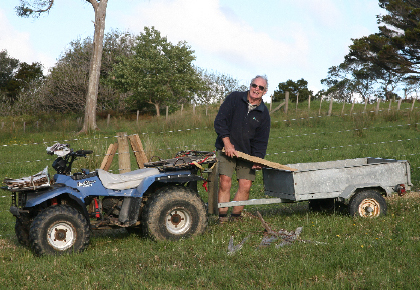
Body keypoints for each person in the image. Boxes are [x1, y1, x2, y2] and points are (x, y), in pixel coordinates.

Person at [214, 75, 271, 223]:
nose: (256, 89)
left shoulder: (263, 113)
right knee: (225, 181)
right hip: (226, 149)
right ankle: (222, 218)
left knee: (246, 185)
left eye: (261, 87)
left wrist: (258, 158)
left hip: (247, 154)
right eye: (254, 85)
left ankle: (235, 218)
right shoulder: (234, 98)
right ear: (250, 85)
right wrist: (227, 143)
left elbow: (261, 139)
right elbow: (220, 121)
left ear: (265, 91)